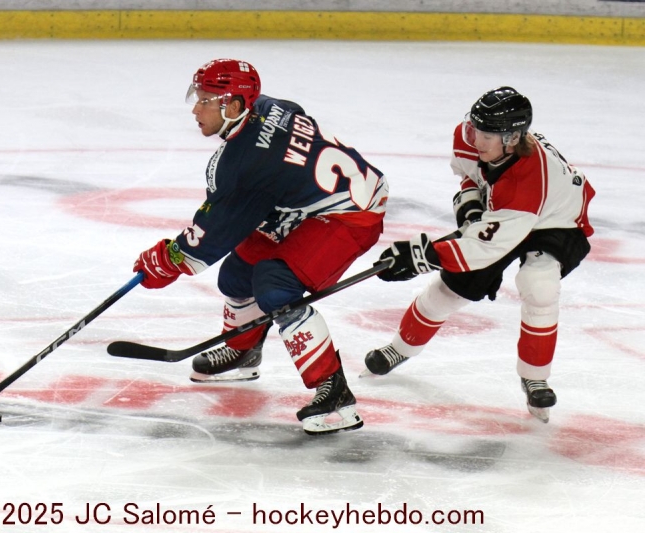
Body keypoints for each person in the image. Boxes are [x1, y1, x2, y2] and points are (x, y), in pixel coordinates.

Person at [133, 58, 389, 435]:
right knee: (237, 276)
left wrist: (167, 259)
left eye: (206, 100)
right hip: (312, 202)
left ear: (234, 106)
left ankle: (332, 389)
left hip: (352, 215)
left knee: (275, 287)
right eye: (198, 97)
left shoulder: (242, 164)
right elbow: (296, 121)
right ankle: (243, 350)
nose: (195, 108)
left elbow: (210, 237)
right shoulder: (269, 106)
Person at [362, 86, 594, 423]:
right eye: (474, 128)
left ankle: (535, 377)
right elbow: (470, 179)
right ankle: (400, 348)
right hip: (509, 214)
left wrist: (421, 255)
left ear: (513, 138)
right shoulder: (470, 138)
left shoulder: (527, 181)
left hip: (557, 220)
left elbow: (485, 247)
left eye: (486, 135)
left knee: (539, 284)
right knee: (449, 290)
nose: (475, 139)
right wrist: (470, 211)